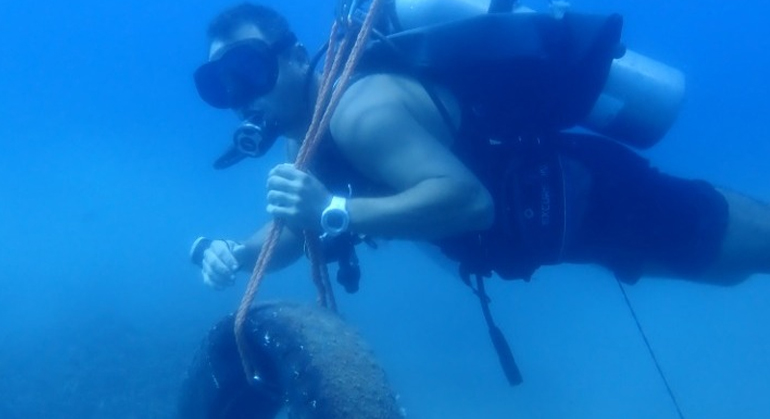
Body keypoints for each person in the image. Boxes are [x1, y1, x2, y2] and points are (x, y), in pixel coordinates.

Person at [190, 2, 770, 292]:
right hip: (564, 228)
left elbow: (471, 203)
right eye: (221, 86)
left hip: (594, 196)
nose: (241, 97)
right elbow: (302, 227)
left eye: (249, 70)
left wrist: (336, 210)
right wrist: (237, 253)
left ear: (296, 57)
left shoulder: (362, 114)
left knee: (744, 245)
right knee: (725, 269)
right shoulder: (307, 138)